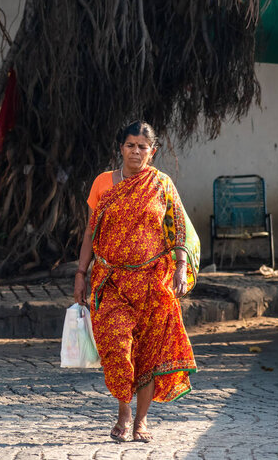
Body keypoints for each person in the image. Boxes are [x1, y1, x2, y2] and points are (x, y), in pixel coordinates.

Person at [73, 120, 200, 443]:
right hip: (110, 282)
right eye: (130, 145)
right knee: (117, 346)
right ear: (121, 148)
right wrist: (80, 274)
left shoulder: (162, 184)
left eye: (142, 146)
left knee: (147, 355)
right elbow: (91, 232)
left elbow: (179, 230)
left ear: (152, 151)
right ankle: (123, 411)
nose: (136, 151)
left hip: (152, 285)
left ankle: (140, 422)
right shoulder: (103, 183)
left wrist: (180, 268)